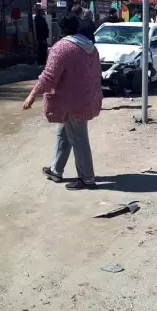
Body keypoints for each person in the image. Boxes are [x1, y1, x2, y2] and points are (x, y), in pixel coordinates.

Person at [22, 13, 103, 191]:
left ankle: (87, 179)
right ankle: (56, 170)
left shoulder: (62, 48)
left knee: (79, 139)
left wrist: (32, 95)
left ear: (62, 29)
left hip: (71, 102)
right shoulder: (90, 47)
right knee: (64, 133)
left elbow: (49, 77)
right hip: (86, 99)